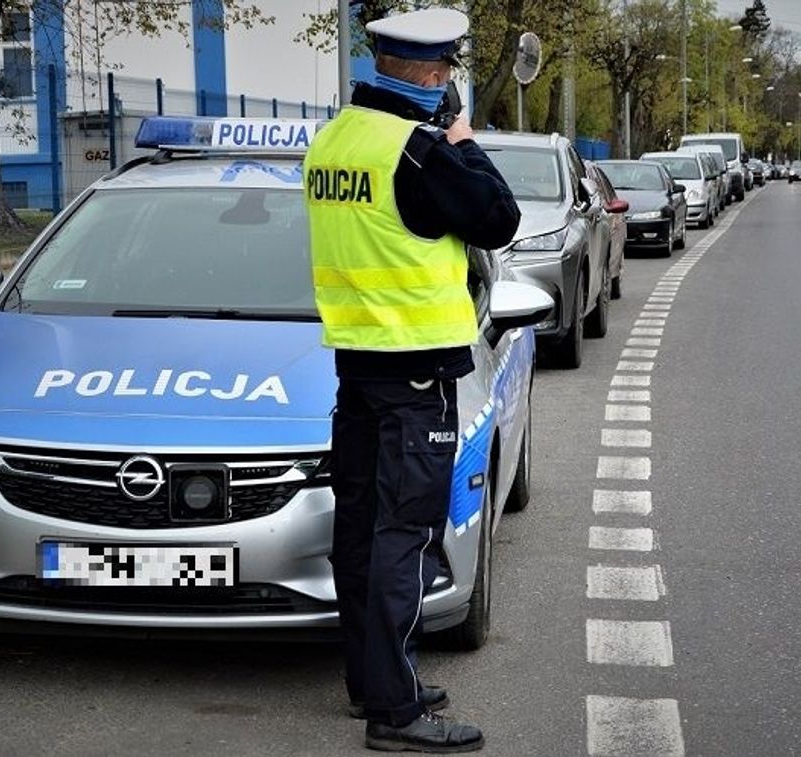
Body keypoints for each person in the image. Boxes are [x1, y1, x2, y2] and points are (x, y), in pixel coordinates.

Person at [303, 6, 520, 754]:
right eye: (449, 71)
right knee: (406, 533)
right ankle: (395, 714)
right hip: (416, 371)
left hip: (355, 365)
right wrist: (461, 137)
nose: (449, 82)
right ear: (433, 76)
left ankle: (372, 682)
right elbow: (499, 217)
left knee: (360, 528)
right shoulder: (420, 153)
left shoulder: (334, 140)